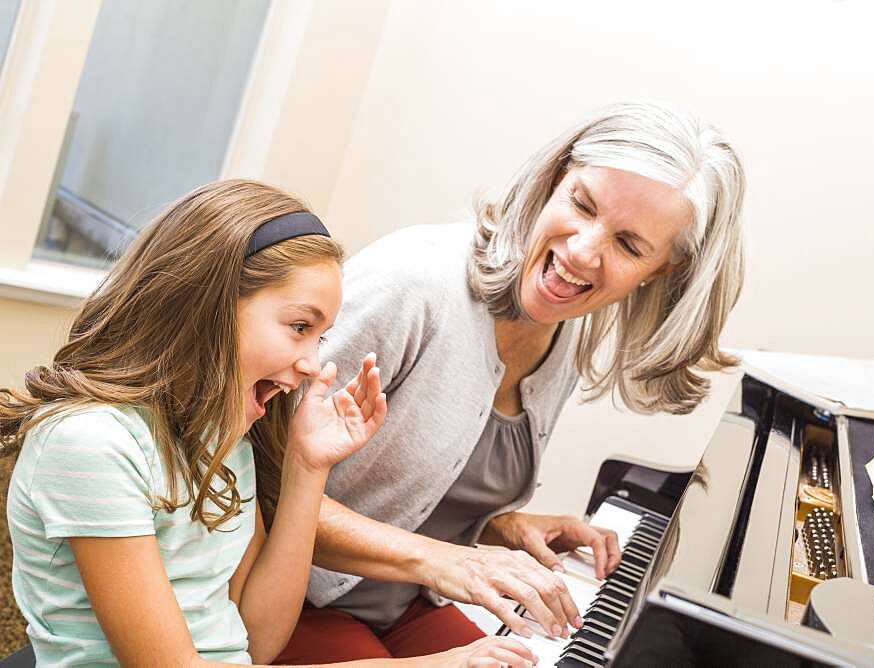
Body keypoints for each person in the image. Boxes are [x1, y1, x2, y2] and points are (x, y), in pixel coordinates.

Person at [275, 101, 747, 663]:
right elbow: (259, 481)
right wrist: (448, 561)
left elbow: (412, 489)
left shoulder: (566, 325)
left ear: (663, 270)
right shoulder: (413, 284)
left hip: (401, 601)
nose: (581, 250)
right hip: (289, 596)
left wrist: (502, 526)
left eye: (628, 245)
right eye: (581, 204)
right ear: (552, 181)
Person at [1, 180, 535, 667]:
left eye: (318, 338)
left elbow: (255, 640)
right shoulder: (89, 443)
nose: (311, 364)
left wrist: (307, 465)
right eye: (298, 327)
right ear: (207, 305)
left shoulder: (225, 440)